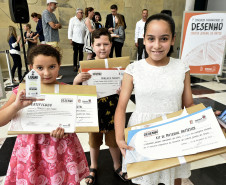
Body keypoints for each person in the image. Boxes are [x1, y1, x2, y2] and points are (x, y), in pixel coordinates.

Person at [114, 13, 194, 185]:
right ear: (144, 39)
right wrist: (119, 138)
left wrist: (209, 119)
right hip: (142, 132)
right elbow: (121, 107)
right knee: (145, 180)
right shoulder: (133, 69)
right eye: (151, 38)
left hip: (174, 132)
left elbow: (189, 105)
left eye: (163, 39)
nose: (157, 45)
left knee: (174, 178)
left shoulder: (182, 67)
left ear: (173, 40)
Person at [1, 44, 89, 184]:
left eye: (52, 67)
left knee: (60, 179)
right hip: (30, 148)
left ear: (59, 66)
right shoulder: (22, 91)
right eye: (40, 68)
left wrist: (69, 128)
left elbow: (82, 119)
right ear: (31, 68)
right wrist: (16, 106)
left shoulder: (68, 90)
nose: (46, 73)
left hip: (61, 146)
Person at [73, 28, 128, 185]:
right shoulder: (86, 66)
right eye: (98, 44)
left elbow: (128, 89)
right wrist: (76, 80)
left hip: (113, 111)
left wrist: (122, 90)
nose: (102, 48)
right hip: (93, 111)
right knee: (94, 141)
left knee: (113, 140)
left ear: (111, 45)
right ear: (92, 45)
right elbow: (76, 92)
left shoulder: (119, 66)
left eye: (105, 44)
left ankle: (117, 165)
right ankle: (93, 166)